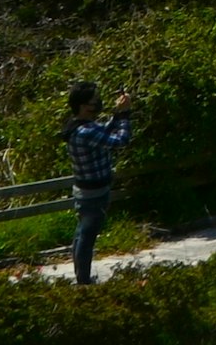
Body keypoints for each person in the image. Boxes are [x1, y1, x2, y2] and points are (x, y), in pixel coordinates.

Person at [64, 81, 137, 284]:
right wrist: (124, 116)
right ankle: (83, 281)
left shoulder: (78, 126)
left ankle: (81, 275)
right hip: (94, 194)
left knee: (82, 234)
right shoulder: (85, 132)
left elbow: (103, 133)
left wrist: (116, 114)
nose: (97, 103)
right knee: (87, 237)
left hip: (86, 190)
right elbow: (119, 141)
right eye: (93, 100)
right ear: (83, 105)